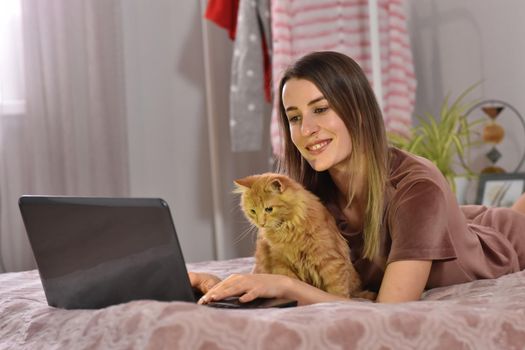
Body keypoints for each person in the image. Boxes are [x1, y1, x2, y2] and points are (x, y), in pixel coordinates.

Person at [190, 51, 525, 305]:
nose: (306, 130)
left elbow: (392, 309)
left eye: (320, 109)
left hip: (503, 242)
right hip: (451, 222)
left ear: (360, 111)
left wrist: (289, 288)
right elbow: (269, 273)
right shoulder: (303, 195)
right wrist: (215, 284)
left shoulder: (416, 185)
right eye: (294, 117)